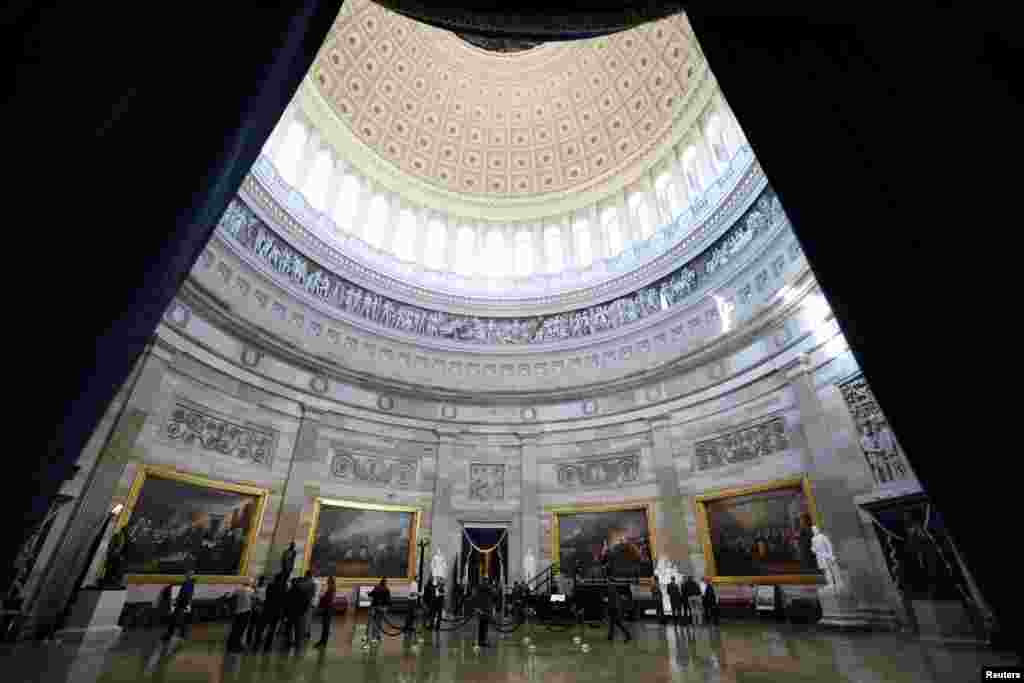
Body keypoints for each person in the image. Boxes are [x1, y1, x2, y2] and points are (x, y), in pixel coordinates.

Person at [162, 570, 196, 640]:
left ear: (191, 575)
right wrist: (177, 600)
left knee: (176, 619)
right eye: (187, 574)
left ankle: (172, 635)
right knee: (177, 619)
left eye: (189, 574)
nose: (187, 575)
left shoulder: (189, 583)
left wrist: (178, 601)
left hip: (182, 603)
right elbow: (183, 594)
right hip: (181, 603)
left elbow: (185, 595)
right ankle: (181, 634)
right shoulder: (188, 583)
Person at [260, 573, 288, 652]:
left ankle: (258, 642)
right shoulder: (284, 587)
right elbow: (284, 600)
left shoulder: (270, 585)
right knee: (272, 628)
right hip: (277, 610)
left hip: (268, 608)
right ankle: (267, 645)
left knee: (263, 626)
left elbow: (267, 596)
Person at [288, 571, 316, 647]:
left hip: (295, 609)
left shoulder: (294, 588)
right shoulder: (312, 585)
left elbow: (288, 600)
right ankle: (298, 641)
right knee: (300, 626)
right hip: (303, 609)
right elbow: (312, 596)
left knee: (293, 626)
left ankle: (292, 640)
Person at [227, 578, 254, 652]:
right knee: (241, 630)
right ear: (250, 583)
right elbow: (255, 600)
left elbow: (229, 596)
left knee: (235, 629)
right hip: (246, 612)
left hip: (237, 612)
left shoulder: (238, 589)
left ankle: (230, 645)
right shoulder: (251, 590)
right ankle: (237, 646)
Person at [245, 576, 267, 648]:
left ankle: (254, 640)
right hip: (257, 609)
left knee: (256, 626)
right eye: (264, 580)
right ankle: (251, 640)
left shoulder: (260, 589)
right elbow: (254, 599)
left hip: (259, 609)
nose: (265, 582)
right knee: (254, 626)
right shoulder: (257, 589)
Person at [314, 576, 336, 648]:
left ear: (330, 581)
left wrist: (321, 597)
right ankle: (322, 641)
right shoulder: (331, 588)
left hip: (327, 609)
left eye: (328, 580)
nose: (327, 581)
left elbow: (327, 599)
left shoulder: (331, 588)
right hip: (328, 609)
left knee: (325, 626)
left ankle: (323, 642)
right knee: (325, 626)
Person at [367, 578, 390, 644]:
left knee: (374, 622)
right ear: (385, 583)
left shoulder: (376, 588)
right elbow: (388, 600)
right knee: (379, 622)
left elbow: (371, 594)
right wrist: (386, 607)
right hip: (382, 608)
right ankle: (378, 636)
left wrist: (368, 593)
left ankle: (373, 637)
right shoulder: (387, 589)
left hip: (374, 607)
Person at [475, 578, 495, 647]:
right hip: (486, 609)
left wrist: (477, 608)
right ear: (485, 581)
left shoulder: (479, 587)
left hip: (481, 609)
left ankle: (480, 640)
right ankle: (484, 641)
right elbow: (494, 594)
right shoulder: (488, 588)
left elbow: (476, 597)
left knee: (481, 626)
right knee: (485, 626)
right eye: (486, 581)